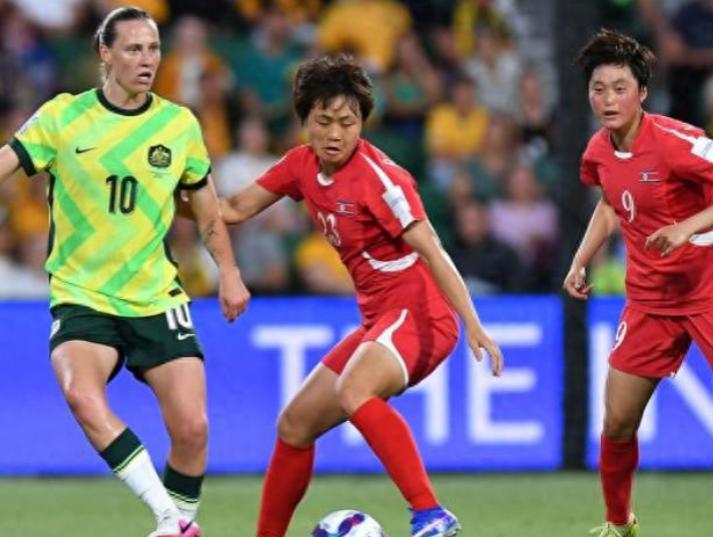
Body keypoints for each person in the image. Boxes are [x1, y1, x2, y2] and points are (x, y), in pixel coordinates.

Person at [219, 54, 503, 537]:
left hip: (422, 314)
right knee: (294, 426)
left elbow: (432, 248)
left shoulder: (381, 179)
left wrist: (473, 323)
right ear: (304, 120)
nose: (335, 133)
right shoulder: (300, 165)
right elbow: (232, 209)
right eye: (323, 120)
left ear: (362, 124)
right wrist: (167, 197)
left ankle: (431, 513)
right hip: (380, 320)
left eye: (347, 122)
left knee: (354, 390)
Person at [0, 7, 250, 537]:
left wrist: (229, 272)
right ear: (105, 53)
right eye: (134, 49)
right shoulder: (64, 117)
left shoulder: (178, 125)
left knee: (193, 429)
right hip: (83, 294)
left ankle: (177, 526)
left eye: (153, 48)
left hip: (155, 296)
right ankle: (170, 518)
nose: (147, 60)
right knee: (81, 396)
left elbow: (208, 212)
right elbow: (5, 161)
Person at [564, 29, 713, 537]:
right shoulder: (598, 149)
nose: (608, 99)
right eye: (598, 89)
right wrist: (580, 259)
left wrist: (687, 226)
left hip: (706, 290)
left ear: (643, 92)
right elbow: (610, 204)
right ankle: (619, 524)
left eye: (620, 88)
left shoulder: (677, 142)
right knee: (618, 422)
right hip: (650, 302)